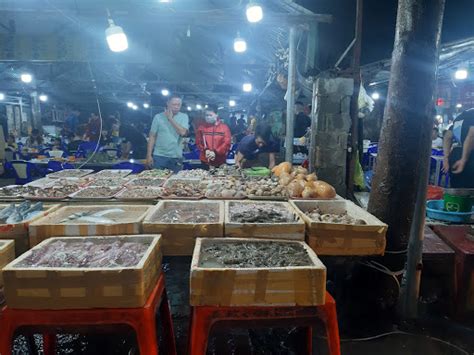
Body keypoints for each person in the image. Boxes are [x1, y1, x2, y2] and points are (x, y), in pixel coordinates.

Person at [146, 95, 189, 172]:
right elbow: (152, 136)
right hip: (159, 155)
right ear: (168, 104)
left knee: (175, 182)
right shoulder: (158, 117)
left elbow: (182, 133)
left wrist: (170, 119)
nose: (176, 107)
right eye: (174, 104)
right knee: (157, 178)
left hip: (176, 156)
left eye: (178, 105)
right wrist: (149, 155)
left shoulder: (184, 117)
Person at [442, 108, 474, 188]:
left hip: (455, 156)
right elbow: (472, 135)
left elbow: (447, 136)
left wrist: (446, 157)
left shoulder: (461, 116)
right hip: (469, 158)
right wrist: (464, 159)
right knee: (469, 192)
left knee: (456, 190)